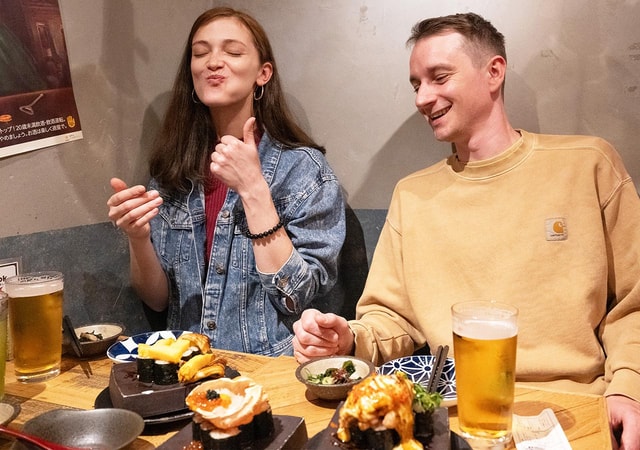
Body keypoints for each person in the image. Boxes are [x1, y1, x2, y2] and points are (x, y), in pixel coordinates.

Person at [292, 12, 640, 447]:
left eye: (439, 77)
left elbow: (633, 303)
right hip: (453, 417)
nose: (423, 98)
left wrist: (629, 388)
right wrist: (347, 339)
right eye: (417, 85)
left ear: (494, 72)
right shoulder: (412, 194)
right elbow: (391, 318)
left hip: (573, 408)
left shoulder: (587, 164)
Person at [107, 7, 346, 357]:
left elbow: (298, 296)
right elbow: (158, 300)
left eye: (232, 52)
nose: (213, 62)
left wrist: (253, 190)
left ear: (263, 73)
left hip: (268, 371)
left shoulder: (302, 169)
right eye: (200, 53)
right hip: (186, 368)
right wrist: (138, 237)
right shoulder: (174, 169)